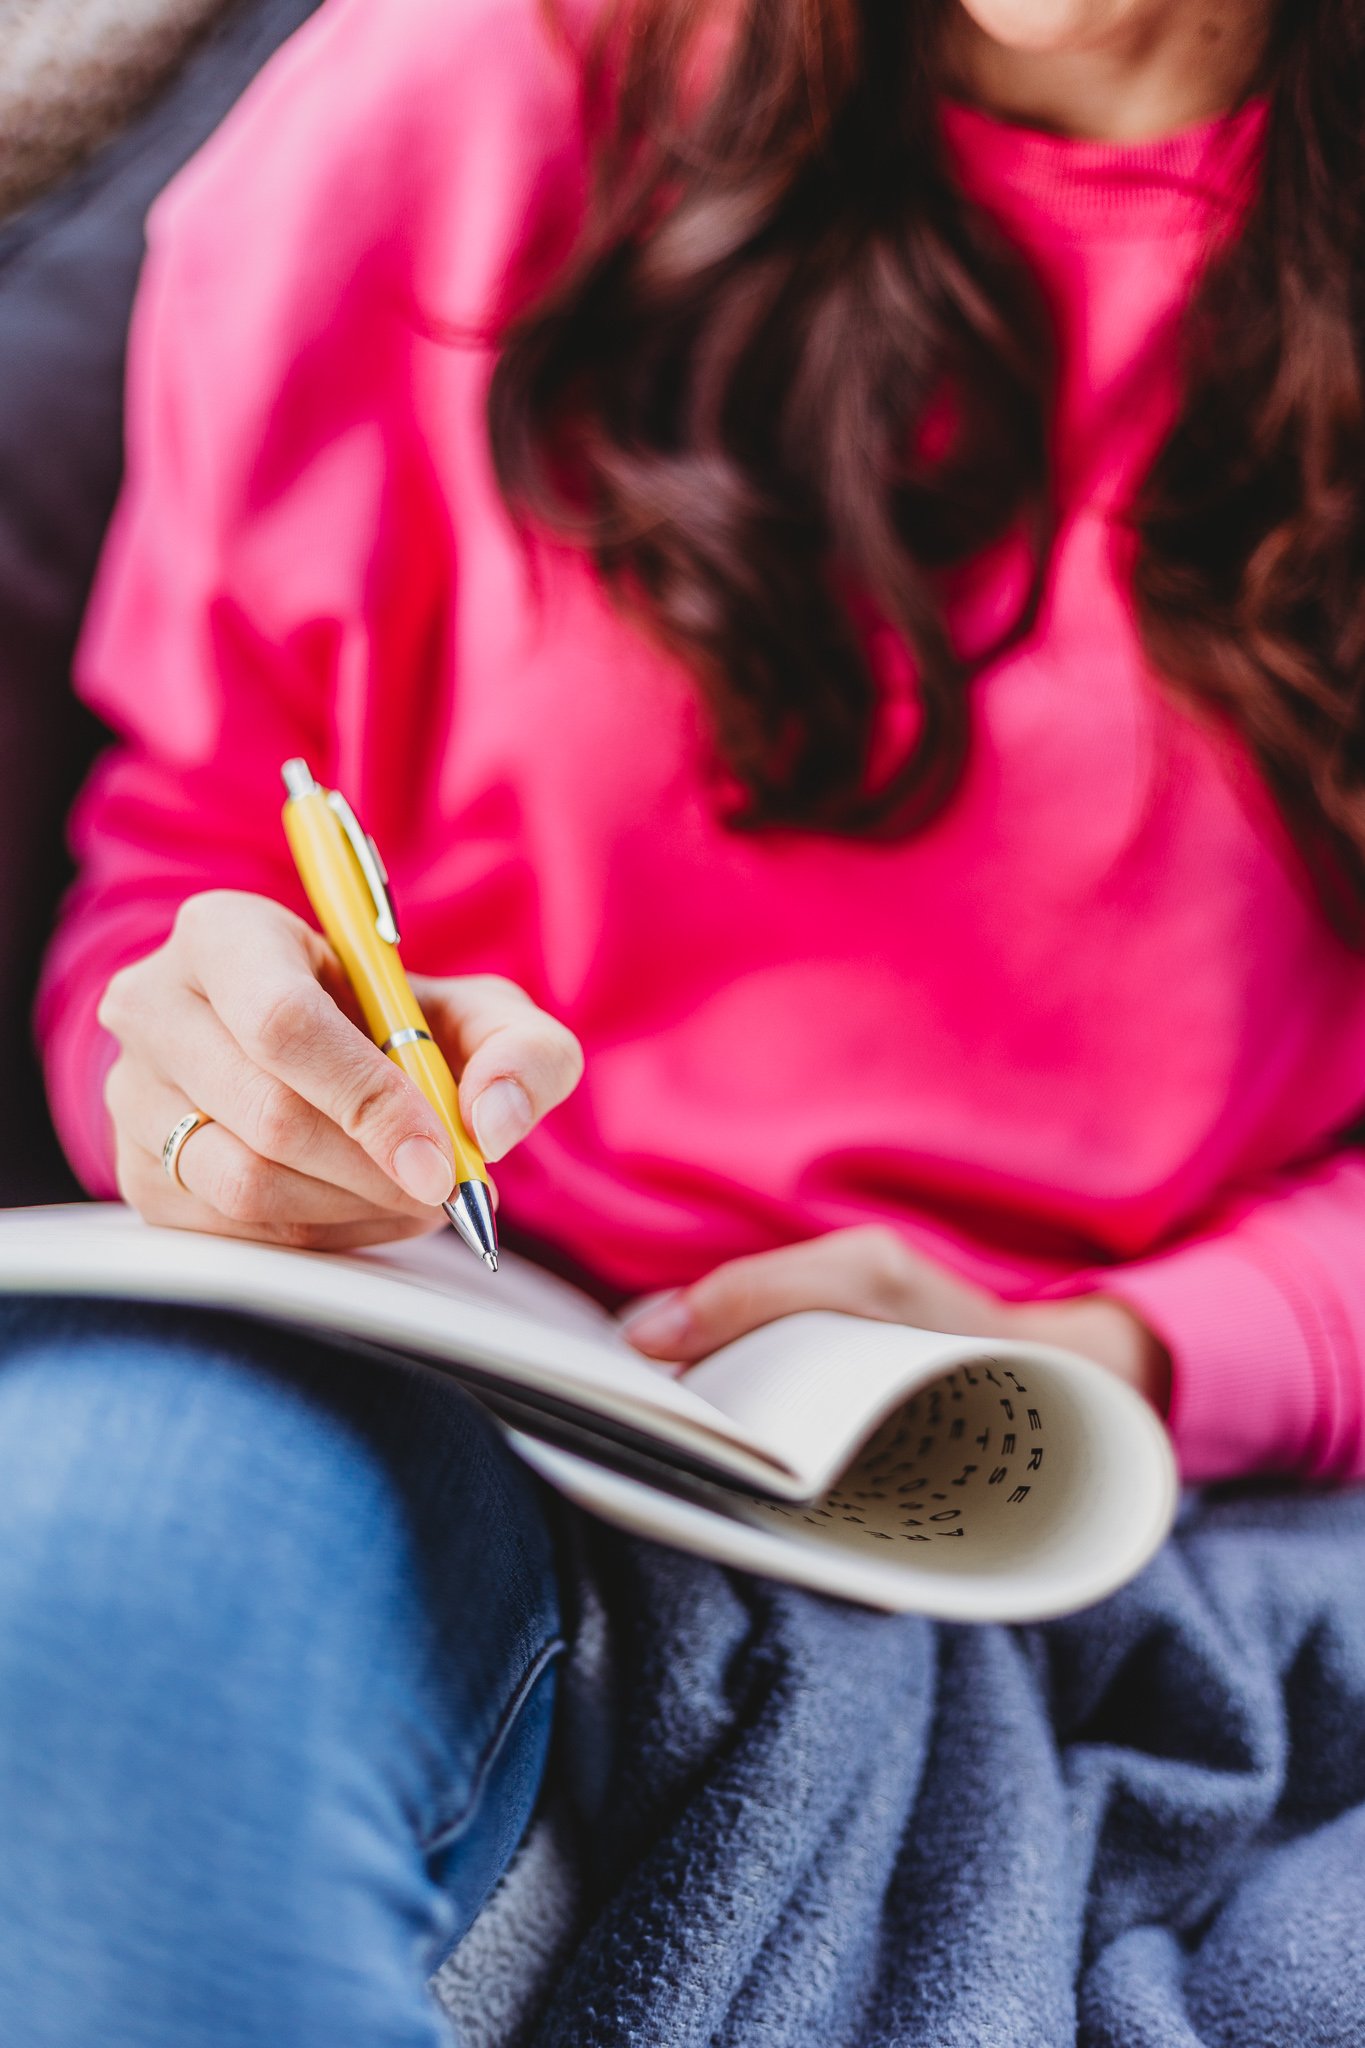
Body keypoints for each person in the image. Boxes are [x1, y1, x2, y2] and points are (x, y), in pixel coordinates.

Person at [3, 0, 1364, 2039]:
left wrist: (1121, 1350)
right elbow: (187, 839)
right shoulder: (459, 95)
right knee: (103, 1583)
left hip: (1116, 1461)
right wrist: (208, 1098)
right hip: (457, 1359)